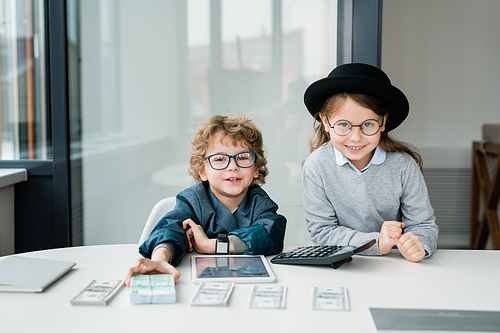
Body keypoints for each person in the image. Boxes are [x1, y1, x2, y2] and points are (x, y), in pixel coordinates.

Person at [301, 63, 438, 263]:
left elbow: (423, 225)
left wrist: (420, 244)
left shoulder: (403, 166)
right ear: (325, 122)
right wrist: (376, 242)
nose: (355, 137)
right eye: (343, 125)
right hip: (341, 264)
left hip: (394, 264)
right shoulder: (316, 166)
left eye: (368, 124)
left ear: (383, 122)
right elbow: (323, 232)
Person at [125, 115, 287, 284]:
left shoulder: (258, 201)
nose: (233, 166)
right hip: (194, 283)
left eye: (243, 157)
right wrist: (160, 259)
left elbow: (271, 232)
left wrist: (211, 245)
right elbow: (170, 228)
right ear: (202, 171)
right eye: (219, 159)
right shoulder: (193, 200)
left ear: (256, 168)